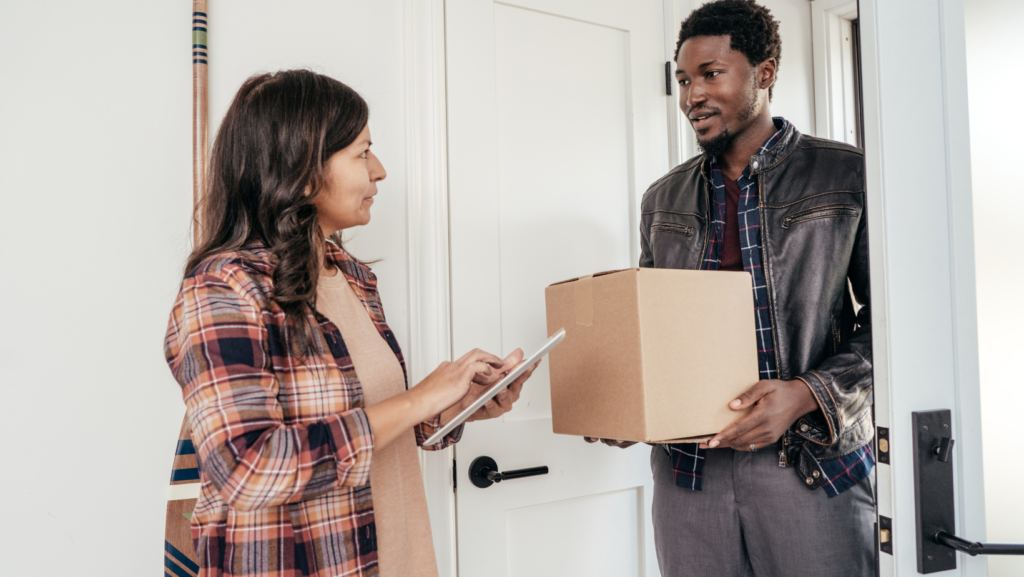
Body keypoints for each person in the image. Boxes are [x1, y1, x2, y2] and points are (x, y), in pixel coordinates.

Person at [164, 70, 538, 577]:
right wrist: (419, 398)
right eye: (362, 152)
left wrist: (457, 407)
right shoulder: (223, 289)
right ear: (301, 169)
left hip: (396, 556)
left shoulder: (354, 278)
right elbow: (247, 469)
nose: (379, 170)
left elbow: (370, 418)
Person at [588, 1, 875, 575]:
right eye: (683, 80)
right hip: (688, 476)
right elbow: (652, 326)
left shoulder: (845, 175)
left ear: (764, 73)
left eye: (711, 74)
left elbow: (899, 323)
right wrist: (624, 403)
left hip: (807, 463)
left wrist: (806, 393)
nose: (692, 94)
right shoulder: (662, 198)